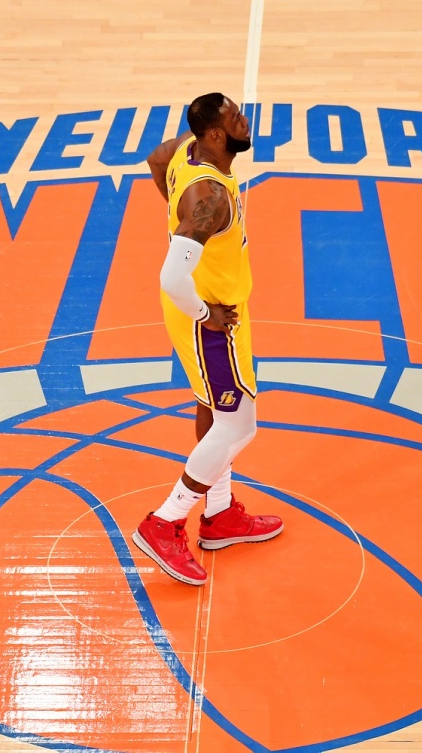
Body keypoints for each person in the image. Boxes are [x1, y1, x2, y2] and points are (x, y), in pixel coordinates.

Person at [130, 93, 283, 586]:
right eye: (236, 118)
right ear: (215, 135)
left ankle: (218, 515)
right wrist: (206, 314)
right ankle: (165, 521)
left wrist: (178, 219)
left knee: (215, 410)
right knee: (238, 426)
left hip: (211, 308)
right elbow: (172, 278)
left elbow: (156, 159)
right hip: (209, 319)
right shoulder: (210, 199)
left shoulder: (186, 148)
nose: (245, 121)